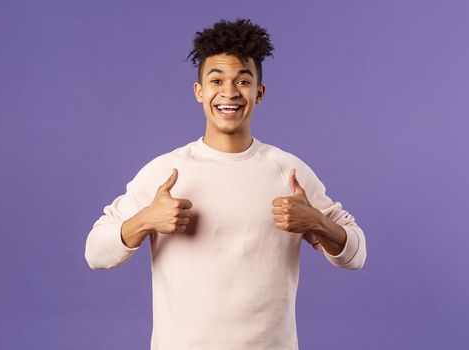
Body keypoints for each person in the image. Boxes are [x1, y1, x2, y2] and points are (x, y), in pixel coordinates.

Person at [84, 18, 367, 350]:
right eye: (216, 80)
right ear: (199, 92)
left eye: (243, 81)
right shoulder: (167, 171)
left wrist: (316, 222)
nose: (229, 92)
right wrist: (145, 219)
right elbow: (96, 252)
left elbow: (355, 255)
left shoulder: (288, 172)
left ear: (259, 93)